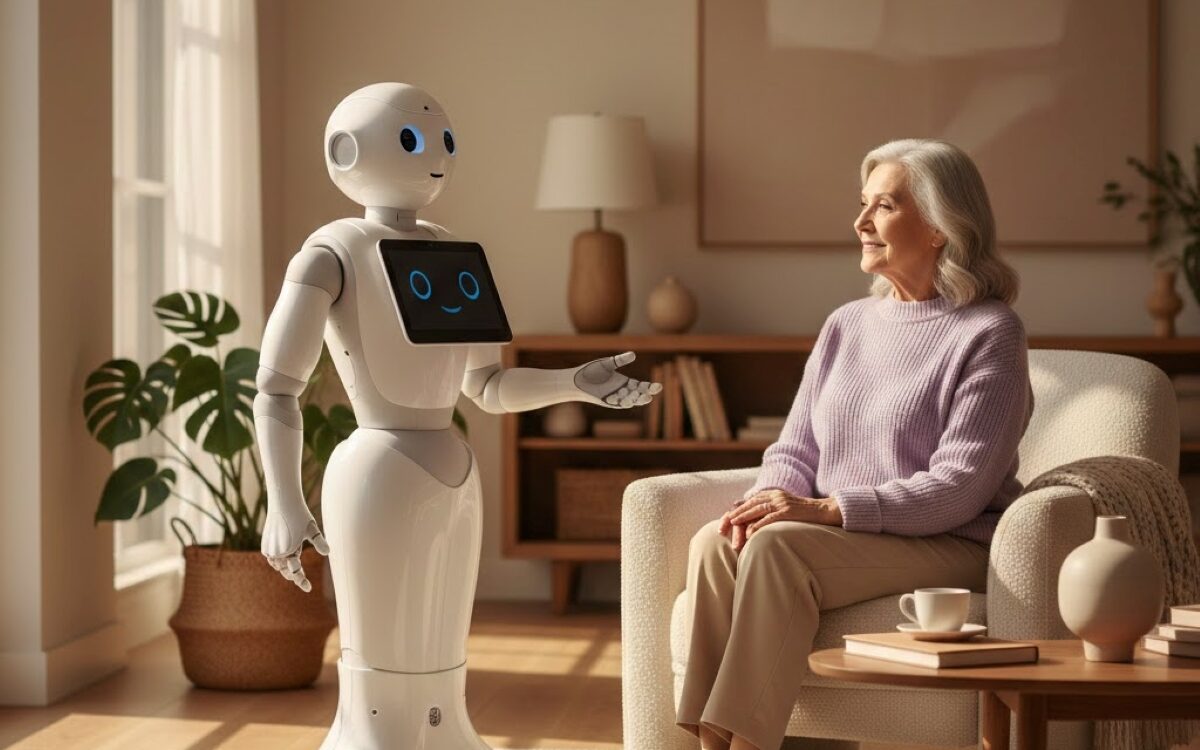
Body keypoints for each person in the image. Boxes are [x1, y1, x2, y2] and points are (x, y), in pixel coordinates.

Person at [676, 139, 1033, 750]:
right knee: (717, 541)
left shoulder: (990, 331)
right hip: (849, 533)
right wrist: (766, 502)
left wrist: (825, 509)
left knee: (779, 550)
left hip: (949, 539)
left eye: (884, 206)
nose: (861, 222)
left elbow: (960, 486)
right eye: (863, 203)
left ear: (941, 227)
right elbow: (794, 449)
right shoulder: (847, 323)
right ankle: (709, 743)